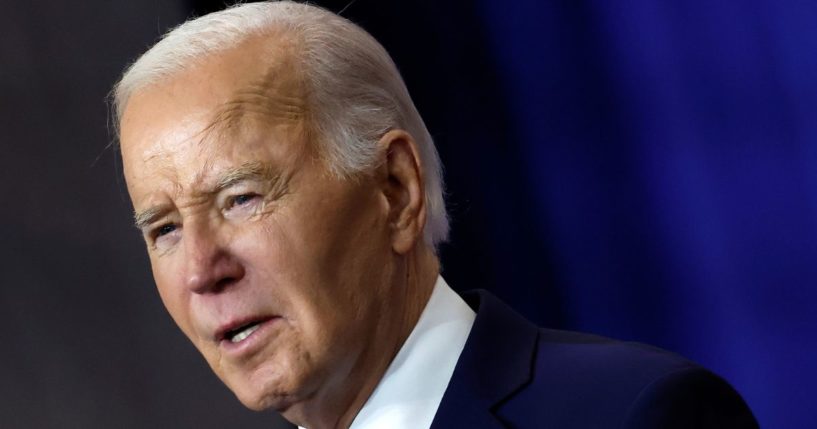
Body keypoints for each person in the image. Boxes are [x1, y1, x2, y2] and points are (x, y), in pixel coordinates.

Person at [113, 2, 758, 428]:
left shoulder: (637, 416)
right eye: (164, 228)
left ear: (396, 190)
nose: (201, 269)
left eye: (241, 198)